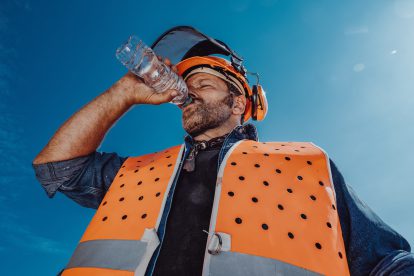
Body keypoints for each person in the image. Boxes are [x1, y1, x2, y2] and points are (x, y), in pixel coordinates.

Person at [33, 28, 414, 276]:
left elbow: (388, 263)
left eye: (203, 83)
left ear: (237, 103)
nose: (188, 93)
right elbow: (57, 167)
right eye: (186, 86)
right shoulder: (139, 172)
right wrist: (123, 93)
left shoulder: (303, 164)